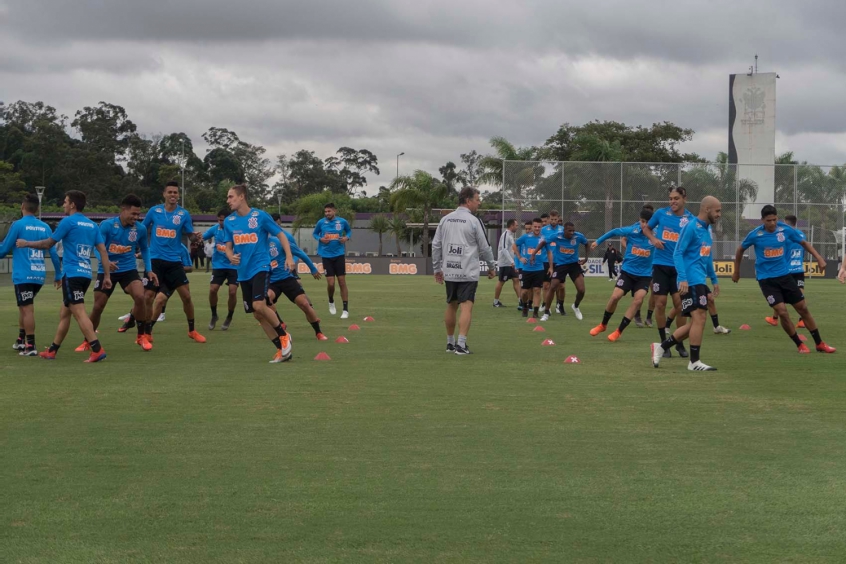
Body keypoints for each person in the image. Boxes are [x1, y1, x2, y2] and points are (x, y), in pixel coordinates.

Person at [17, 190, 111, 362]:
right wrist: (106, 276)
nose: (63, 205)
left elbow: (48, 243)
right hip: (85, 275)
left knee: (79, 313)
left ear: (73, 204)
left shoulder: (68, 222)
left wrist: (26, 243)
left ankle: (96, 349)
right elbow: (103, 251)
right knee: (65, 313)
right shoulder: (92, 225)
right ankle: (53, 350)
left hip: (72, 274)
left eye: (66, 201)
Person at [732, 205, 835, 354]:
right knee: (782, 312)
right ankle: (799, 344)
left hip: (785, 276)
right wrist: (736, 271)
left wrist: (819, 257)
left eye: (774, 220)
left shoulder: (785, 229)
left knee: (803, 308)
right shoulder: (755, 234)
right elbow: (740, 249)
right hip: (766, 280)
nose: (772, 223)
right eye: (769, 221)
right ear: (762, 220)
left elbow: (804, 243)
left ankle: (820, 343)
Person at [74, 194, 158, 353]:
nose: (136, 217)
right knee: (98, 307)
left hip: (128, 269)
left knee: (140, 296)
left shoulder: (139, 229)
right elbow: (97, 247)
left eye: (138, 214)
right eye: (133, 214)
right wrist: (105, 262)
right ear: (123, 210)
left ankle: (141, 336)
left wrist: (149, 269)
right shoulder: (107, 225)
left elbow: (145, 249)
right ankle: (87, 341)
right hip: (107, 270)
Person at [222, 184, 295, 363]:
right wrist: (230, 256)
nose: (228, 200)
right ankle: (281, 349)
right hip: (243, 273)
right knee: (257, 314)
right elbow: (228, 247)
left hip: (261, 267)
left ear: (242, 197)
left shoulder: (260, 216)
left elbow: (281, 235)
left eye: (231, 197)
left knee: (259, 305)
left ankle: (284, 335)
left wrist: (289, 256)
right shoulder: (229, 222)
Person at [651, 196, 723, 370]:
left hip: (699, 280)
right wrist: (682, 278)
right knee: (699, 318)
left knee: (695, 322)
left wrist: (713, 279)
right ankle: (694, 362)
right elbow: (678, 253)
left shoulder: (706, 231)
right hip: (690, 280)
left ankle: (661, 347)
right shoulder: (691, 227)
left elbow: (707, 257)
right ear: (707, 209)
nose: (719, 214)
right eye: (717, 211)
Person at [431, 186, 496, 355]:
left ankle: (450, 343)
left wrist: (437, 268)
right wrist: (491, 266)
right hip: (467, 271)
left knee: (451, 305)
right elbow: (485, 247)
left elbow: (436, 245)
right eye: (477, 199)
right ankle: (461, 344)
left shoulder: (445, 219)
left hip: (450, 270)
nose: (479, 203)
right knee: (467, 306)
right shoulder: (474, 221)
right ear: (468, 201)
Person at [142, 181, 205, 343]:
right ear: (164, 194)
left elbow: (190, 235)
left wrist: (195, 238)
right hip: (155, 260)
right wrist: (138, 248)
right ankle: (146, 333)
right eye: (170, 192)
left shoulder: (183, 214)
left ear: (178, 195)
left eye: (175, 193)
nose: (173, 195)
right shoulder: (154, 211)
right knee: (149, 296)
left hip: (174, 262)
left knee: (186, 297)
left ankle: (192, 330)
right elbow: (142, 229)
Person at [0, 194, 62, 356]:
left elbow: (4, 249)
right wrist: (58, 274)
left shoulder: (18, 225)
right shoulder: (45, 227)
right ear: (37, 209)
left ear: (22, 206)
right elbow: (54, 254)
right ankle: (21, 340)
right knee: (23, 306)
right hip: (39, 275)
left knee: (27, 309)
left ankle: (30, 346)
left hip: (23, 275)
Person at [589, 208, 655, 342]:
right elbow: (614, 232)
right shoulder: (633, 230)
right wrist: (598, 241)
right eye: (642, 221)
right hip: (628, 272)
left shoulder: (656, 234)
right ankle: (603, 325)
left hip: (644, 275)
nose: (644, 225)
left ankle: (618, 331)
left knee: (638, 300)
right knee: (615, 297)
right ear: (639, 220)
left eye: (647, 222)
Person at [642, 187, 692, 358]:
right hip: (660, 264)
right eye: (670, 198)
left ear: (684, 198)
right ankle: (664, 344)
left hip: (679, 268)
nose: (672, 202)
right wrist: (654, 239)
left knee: (680, 305)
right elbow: (646, 229)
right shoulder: (661, 214)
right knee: (660, 303)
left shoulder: (690, 219)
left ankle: (678, 342)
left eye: (676, 198)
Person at [266, 233, 326, 340]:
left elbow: (300, 253)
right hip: (271, 282)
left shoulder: (278, 241)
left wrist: (312, 269)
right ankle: (280, 323)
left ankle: (318, 332)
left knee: (304, 304)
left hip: (287, 278)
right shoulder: (255, 245)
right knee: (266, 298)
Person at [534, 222, 589, 321]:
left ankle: (575, 306)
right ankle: (546, 312)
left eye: (573, 230)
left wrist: (586, 258)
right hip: (561, 265)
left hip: (574, 265)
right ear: (564, 231)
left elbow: (586, 243)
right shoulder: (557, 236)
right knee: (553, 286)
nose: (572, 233)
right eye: (569, 231)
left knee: (581, 290)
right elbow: (543, 242)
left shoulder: (578, 236)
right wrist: (534, 253)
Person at [764, 214, 806, 328]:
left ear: (786, 223)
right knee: (800, 291)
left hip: (786, 269)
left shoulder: (785, 235)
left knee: (780, 295)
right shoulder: (802, 235)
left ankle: (774, 319)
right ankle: (802, 320)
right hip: (799, 268)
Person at [312, 202, 352, 319]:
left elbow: (349, 231)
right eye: (325, 212)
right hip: (326, 255)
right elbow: (315, 234)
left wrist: (346, 237)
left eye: (329, 211)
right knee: (331, 283)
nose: (327, 213)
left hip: (339, 254)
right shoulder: (321, 222)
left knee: (342, 282)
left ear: (334, 211)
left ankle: (345, 309)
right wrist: (320, 239)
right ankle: (331, 301)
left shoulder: (342, 222)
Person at [203, 208, 238, 330]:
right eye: (218, 220)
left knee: (233, 291)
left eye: (222, 220)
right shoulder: (215, 228)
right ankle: (214, 315)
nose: (220, 222)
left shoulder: (236, 230)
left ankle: (229, 316)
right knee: (213, 289)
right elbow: (203, 236)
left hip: (234, 265)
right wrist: (197, 237)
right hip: (218, 265)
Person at [513, 218, 544, 318]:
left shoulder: (544, 238)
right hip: (526, 269)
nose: (537, 228)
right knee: (525, 291)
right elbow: (514, 245)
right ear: (533, 227)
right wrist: (520, 257)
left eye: (539, 227)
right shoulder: (525, 237)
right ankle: (525, 306)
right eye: (535, 226)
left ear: (541, 227)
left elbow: (549, 252)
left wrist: (551, 266)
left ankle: (535, 312)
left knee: (537, 290)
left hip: (539, 268)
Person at [493, 219, 520, 307]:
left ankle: (521, 301)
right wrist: (511, 261)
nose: (517, 227)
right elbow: (504, 249)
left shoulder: (511, 235)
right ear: (511, 225)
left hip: (511, 264)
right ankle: (496, 302)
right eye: (516, 225)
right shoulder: (505, 235)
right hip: (505, 263)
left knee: (516, 280)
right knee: (501, 281)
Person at [514, 220, 532, 311]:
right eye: (526, 229)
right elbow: (516, 253)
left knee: (531, 287)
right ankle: (521, 302)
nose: (528, 231)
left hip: (533, 267)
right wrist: (517, 265)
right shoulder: (522, 239)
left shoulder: (536, 240)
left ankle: (530, 303)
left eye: (529, 229)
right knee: (523, 285)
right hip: (522, 267)